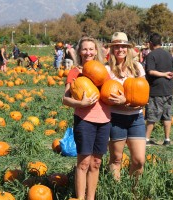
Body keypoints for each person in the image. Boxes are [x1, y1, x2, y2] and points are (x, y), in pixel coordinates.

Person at [62, 36, 111, 200]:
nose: (88, 52)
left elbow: (110, 91)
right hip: (85, 120)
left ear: (96, 51)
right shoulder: (75, 72)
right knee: (83, 163)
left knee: (96, 163)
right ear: (79, 51)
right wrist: (80, 103)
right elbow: (65, 99)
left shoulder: (103, 71)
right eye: (84, 49)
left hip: (104, 120)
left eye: (91, 49)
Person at [105, 32, 146, 181]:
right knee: (116, 159)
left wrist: (126, 101)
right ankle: (117, 191)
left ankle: (133, 192)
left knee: (139, 160)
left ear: (128, 49)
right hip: (115, 119)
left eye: (123, 46)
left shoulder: (137, 68)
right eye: (116, 46)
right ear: (112, 49)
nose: (120, 49)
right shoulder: (107, 70)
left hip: (136, 118)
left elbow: (144, 94)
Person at [145, 33, 173, 146]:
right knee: (167, 115)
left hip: (156, 90)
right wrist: (172, 79)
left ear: (150, 43)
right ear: (160, 42)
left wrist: (163, 74)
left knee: (152, 116)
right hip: (168, 90)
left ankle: (146, 139)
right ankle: (167, 139)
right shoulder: (167, 54)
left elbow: (150, 71)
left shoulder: (151, 55)